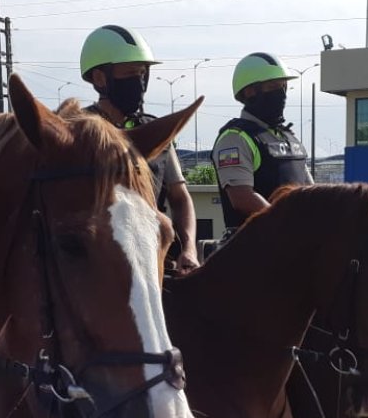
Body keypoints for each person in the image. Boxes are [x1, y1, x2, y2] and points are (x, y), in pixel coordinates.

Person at [78, 25, 198, 274]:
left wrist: (189, 248)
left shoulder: (155, 130)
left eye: (143, 74)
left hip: (158, 263)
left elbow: (180, 197)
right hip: (101, 273)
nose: (140, 82)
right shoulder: (78, 132)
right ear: (100, 78)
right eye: (131, 73)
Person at [211, 52, 312, 237]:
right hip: (253, 249)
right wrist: (288, 228)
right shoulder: (234, 138)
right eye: (273, 86)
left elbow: (311, 193)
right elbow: (242, 198)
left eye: (283, 86)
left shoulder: (289, 137)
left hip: (296, 246)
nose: (281, 94)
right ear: (250, 91)